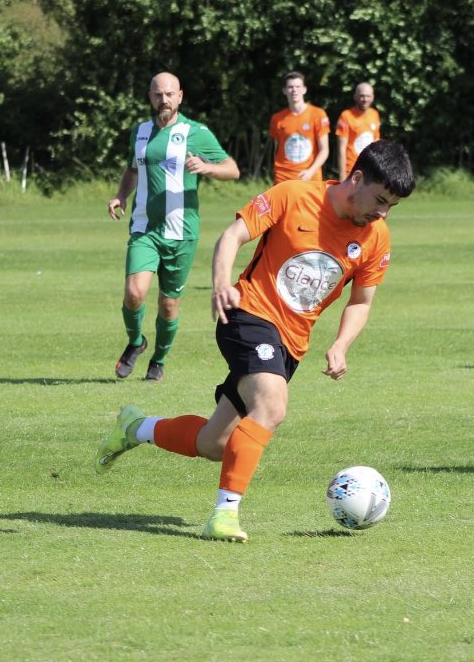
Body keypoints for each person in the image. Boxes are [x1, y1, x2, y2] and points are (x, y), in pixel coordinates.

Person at [94, 140, 415, 542]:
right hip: (247, 314)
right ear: (358, 177)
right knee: (272, 405)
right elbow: (232, 236)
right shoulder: (294, 196)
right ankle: (224, 515)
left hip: (291, 345)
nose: (382, 212)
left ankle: (136, 427)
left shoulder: (375, 238)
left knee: (214, 443)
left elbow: (361, 301)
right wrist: (220, 284)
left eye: (392, 207)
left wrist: (341, 344)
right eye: (380, 199)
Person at [107, 72, 240, 382]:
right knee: (133, 294)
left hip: (181, 233)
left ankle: (159, 360)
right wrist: (120, 195)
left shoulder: (196, 132)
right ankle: (136, 342)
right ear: (150, 96)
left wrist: (207, 167)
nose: (163, 100)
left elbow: (232, 169)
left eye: (169, 94)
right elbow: (131, 169)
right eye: (157, 94)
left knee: (168, 305)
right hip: (144, 229)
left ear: (180, 96)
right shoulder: (139, 132)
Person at [269, 71, 330, 184]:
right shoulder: (277, 118)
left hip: (308, 177)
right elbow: (276, 150)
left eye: (298, 86)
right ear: (284, 90)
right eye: (290, 87)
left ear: (304, 89)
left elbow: (324, 150)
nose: (294, 90)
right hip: (283, 178)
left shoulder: (318, 114)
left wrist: (310, 171)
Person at [334, 82, 381, 181]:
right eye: (362, 96)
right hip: (351, 170)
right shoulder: (346, 116)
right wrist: (342, 176)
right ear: (355, 97)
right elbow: (341, 149)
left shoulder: (375, 114)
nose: (365, 99)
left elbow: (376, 144)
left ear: (372, 97)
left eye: (368, 96)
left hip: (369, 169)